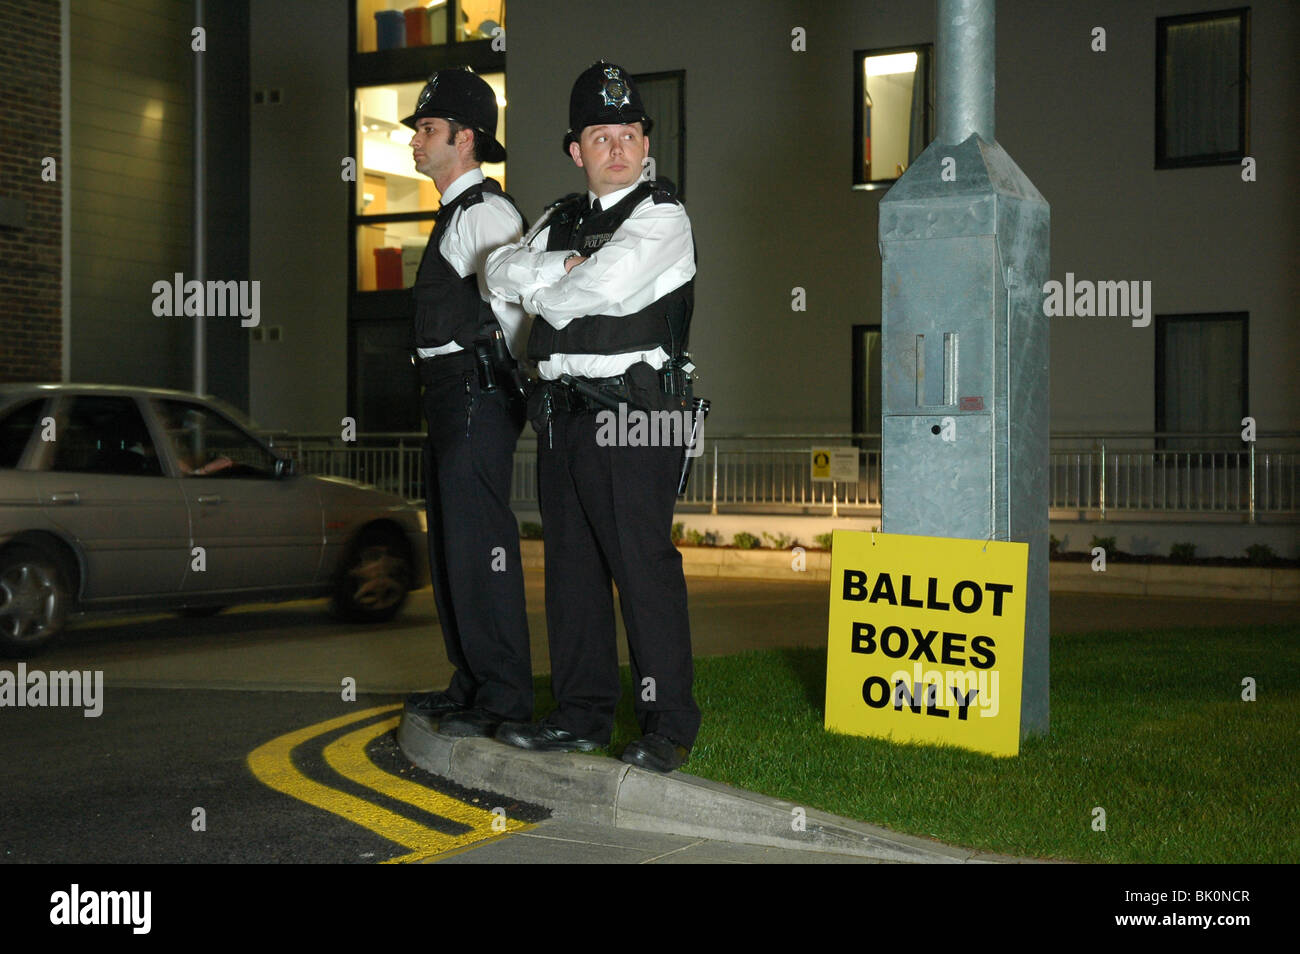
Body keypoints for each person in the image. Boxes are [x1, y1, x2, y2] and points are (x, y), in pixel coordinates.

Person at [485, 61, 699, 773]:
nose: (618, 148)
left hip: (637, 415)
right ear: (576, 149)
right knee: (572, 571)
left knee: (641, 567)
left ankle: (668, 726)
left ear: (646, 142)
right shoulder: (559, 217)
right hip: (563, 415)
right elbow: (498, 276)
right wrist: (561, 274)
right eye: (600, 136)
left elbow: (595, 289)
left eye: (629, 133)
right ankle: (579, 715)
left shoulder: (663, 215)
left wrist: (554, 277)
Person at [402, 68, 533, 738]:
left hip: (476, 392)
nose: (416, 142)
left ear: (466, 138)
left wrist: (488, 379)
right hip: (453, 396)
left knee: (481, 543)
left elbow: (515, 313)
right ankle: (474, 681)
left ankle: (505, 695)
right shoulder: (458, 214)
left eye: (428, 129)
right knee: (454, 543)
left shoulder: (486, 213)